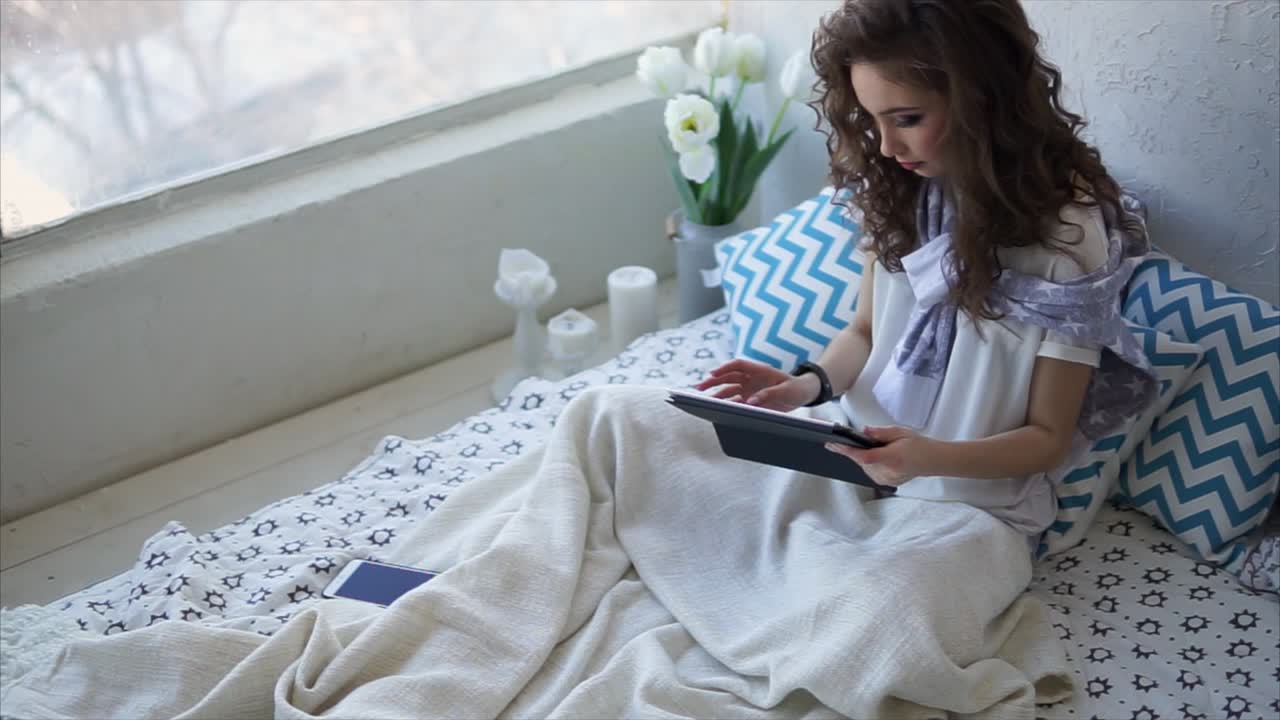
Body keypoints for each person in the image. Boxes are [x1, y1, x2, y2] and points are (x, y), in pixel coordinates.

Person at [696, 0, 1152, 541]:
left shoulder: (1068, 238)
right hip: (849, 451)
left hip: (970, 507)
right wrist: (803, 388)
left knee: (875, 605)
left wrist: (927, 457)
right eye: (872, 120)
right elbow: (864, 332)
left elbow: (1048, 437)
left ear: (984, 101)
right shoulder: (896, 188)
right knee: (615, 420)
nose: (888, 147)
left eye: (907, 119)